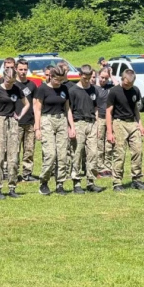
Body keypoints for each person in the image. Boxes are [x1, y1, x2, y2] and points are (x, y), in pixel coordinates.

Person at [0, 67, 30, 199]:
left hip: (12, 122)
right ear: (4, 77)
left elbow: (27, 104)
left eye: (12, 81)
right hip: (0, 121)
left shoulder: (16, 88)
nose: (10, 84)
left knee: (13, 156)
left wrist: (19, 116)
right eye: (8, 81)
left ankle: (12, 186)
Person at [34, 65, 76, 196]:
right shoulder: (43, 89)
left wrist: (72, 126)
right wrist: (37, 128)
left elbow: (68, 108)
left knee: (63, 155)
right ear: (51, 77)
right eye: (57, 80)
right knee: (50, 154)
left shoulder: (64, 88)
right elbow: (37, 109)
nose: (59, 83)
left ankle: (60, 183)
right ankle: (44, 181)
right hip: (47, 121)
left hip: (61, 120)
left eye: (61, 80)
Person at [106, 69, 144, 191]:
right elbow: (109, 112)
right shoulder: (114, 92)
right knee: (119, 153)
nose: (127, 86)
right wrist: (109, 132)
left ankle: (137, 180)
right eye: (125, 84)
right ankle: (117, 182)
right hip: (119, 123)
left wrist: (140, 124)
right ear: (122, 79)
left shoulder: (135, 90)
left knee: (138, 151)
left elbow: (135, 109)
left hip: (132, 123)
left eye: (129, 85)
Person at [68, 65, 105, 194]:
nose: (87, 80)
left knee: (93, 153)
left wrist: (97, 124)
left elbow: (96, 108)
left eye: (89, 78)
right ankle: (76, 182)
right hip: (78, 123)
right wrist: (71, 127)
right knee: (77, 152)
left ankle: (91, 181)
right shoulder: (73, 91)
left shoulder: (93, 89)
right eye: (85, 78)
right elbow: (69, 110)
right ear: (80, 75)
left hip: (92, 123)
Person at [15, 59, 38, 181]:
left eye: (25, 69)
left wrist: (36, 122)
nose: (23, 72)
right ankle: (13, 173)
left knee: (29, 150)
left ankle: (27, 173)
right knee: (15, 150)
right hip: (16, 123)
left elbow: (35, 104)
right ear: (15, 69)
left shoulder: (32, 85)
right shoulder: (12, 85)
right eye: (20, 69)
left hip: (29, 122)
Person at [94, 67, 115, 176]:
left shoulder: (111, 87)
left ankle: (108, 167)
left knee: (109, 144)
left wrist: (111, 76)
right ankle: (100, 167)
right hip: (100, 118)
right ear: (98, 76)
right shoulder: (95, 88)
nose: (104, 80)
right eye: (102, 77)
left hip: (110, 119)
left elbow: (119, 86)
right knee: (99, 143)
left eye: (106, 78)